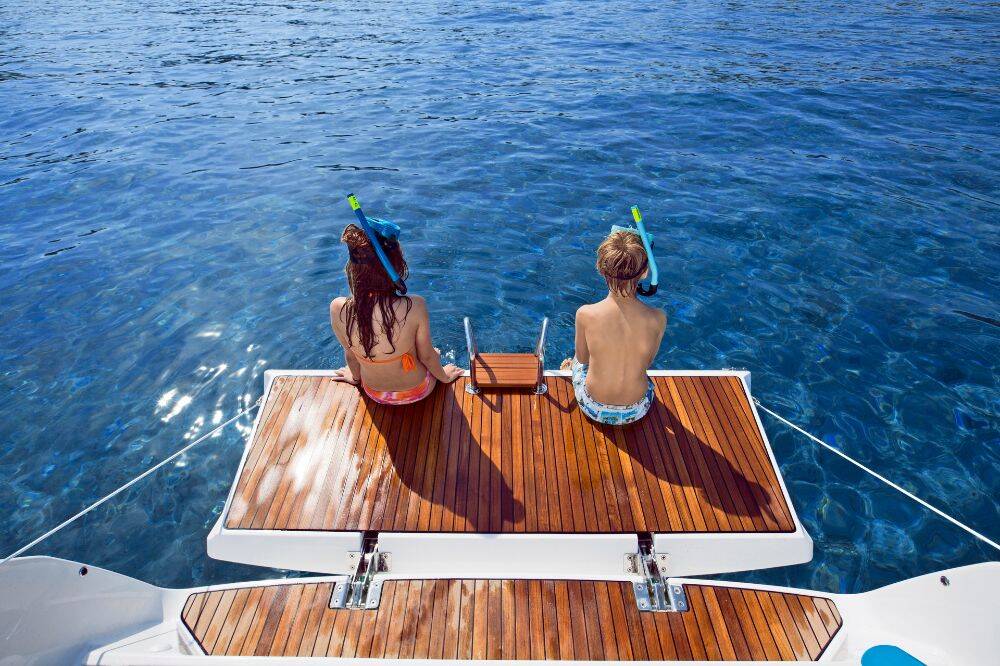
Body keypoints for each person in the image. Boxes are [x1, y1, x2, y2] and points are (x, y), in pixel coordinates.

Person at [330, 221, 462, 404]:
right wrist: (445, 376)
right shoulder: (415, 305)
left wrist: (355, 378)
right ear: (395, 266)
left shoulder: (338, 308)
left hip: (375, 392)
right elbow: (427, 356)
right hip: (417, 390)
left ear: (353, 268)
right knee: (434, 353)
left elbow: (351, 356)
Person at [561, 230, 666, 425]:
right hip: (637, 409)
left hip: (594, 407)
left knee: (576, 362)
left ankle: (568, 368)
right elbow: (648, 362)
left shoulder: (585, 314)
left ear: (601, 270)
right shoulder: (658, 318)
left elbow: (583, 359)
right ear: (645, 272)